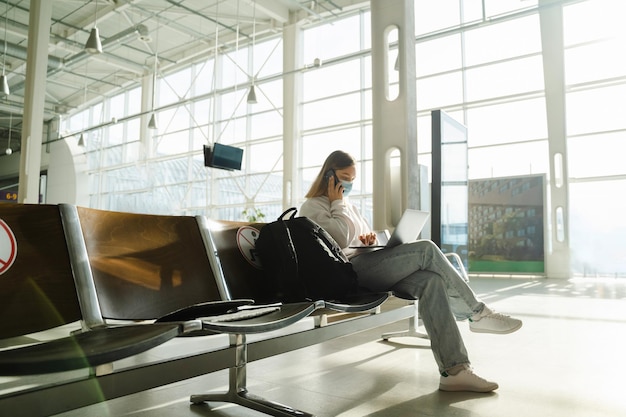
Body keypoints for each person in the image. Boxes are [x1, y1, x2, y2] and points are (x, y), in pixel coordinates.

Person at [299, 150, 522, 393]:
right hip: (348, 274)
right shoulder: (312, 207)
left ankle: (454, 371)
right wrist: (338, 203)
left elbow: (355, 239)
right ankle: (477, 314)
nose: (349, 184)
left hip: (368, 264)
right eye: (344, 177)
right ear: (329, 175)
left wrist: (369, 238)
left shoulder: (348, 207)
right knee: (426, 249)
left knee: (431, 281)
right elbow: (339, 237)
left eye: (353, 179)